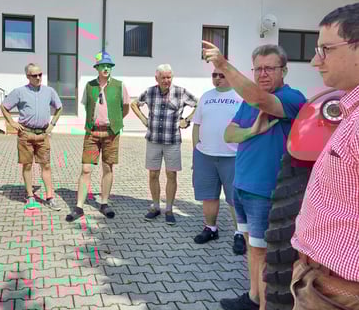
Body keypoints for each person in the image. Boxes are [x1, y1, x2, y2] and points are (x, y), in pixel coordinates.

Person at [202, 42, 306, 310]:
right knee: (252, 246)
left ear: (284, 70)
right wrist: (252, 131)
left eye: (269, 68)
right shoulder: (249, 100)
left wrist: (223, 65)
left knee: (265, 253)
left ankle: (265, 305)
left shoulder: (291, 98)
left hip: (265, 190)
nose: (263, 74)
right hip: (242, 186)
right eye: (258, 69)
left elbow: (262, 101)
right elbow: (229, 134)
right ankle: (253, 298)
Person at [290, 3, 359, 310]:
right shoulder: (352, 111)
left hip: (340, 292)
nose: (315, 60)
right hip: (326, 284)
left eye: (326, 49)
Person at [66, 52, 130, 222]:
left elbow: (125, 108)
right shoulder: (89, 86)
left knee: (108, 168)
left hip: (111, 134)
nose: (106, 68)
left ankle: (104, 203)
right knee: (86, 169)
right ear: (97, 68)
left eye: (109, 65)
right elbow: (87, 106)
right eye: (103, 66)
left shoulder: (119, 85)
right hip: (92, 134)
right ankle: (79, 207)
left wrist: (115, 121)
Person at [131, 64, 198, 225]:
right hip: (153, 140)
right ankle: (155, 206)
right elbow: (134, 104)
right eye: (163, 77)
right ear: (157, 78)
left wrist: (187, 120)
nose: (167, 80)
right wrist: (144, 119)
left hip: (172, 141)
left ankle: (168, 209)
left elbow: (199, 104)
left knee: (171, 175)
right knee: (153, 174)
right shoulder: (150, 92)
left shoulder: (181, 92)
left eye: (169, 77)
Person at [192, 68, 246, 255]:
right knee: (208, 195)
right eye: (214, 75)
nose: (217, 78)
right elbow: (197, 125)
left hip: (232, 157)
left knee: (234, 199)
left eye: (221, 75)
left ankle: (240, 233)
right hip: (205, 155)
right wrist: (195, 150)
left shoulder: (240, 97)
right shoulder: (206, 97)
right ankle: (210, 228)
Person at [0, 63, 63, 210]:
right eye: (35, 75)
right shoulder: (19, 92)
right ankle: (30, 196)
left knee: (46, 165)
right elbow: (4, 106)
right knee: (27, 165)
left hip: (42, 134)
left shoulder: (49, 91)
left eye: (40, 74)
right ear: (28, 76)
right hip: (26, 134)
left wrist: (52, 124)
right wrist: (11, 122)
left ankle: (50, 197)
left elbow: (59, 107)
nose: (38, 77)